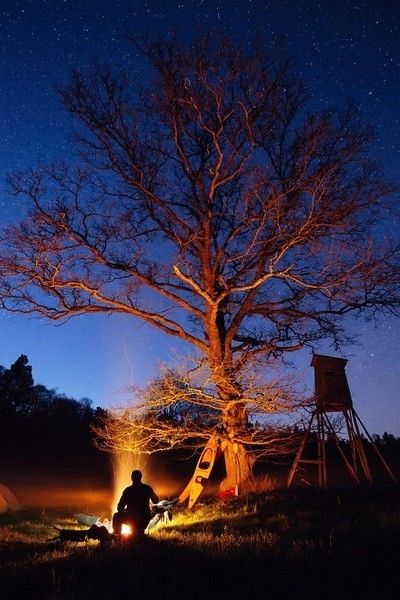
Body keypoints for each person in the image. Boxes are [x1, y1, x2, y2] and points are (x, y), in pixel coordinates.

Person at [112, 470, 159, 538]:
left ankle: (116, 537)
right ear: (141, 477)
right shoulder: (147, 488)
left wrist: (125, 511)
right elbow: (156, 500)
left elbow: (120, 507)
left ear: (131, 478)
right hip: (144, 519)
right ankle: (138, 533)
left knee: (116, 516)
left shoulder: (128, 490)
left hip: (131, 519)